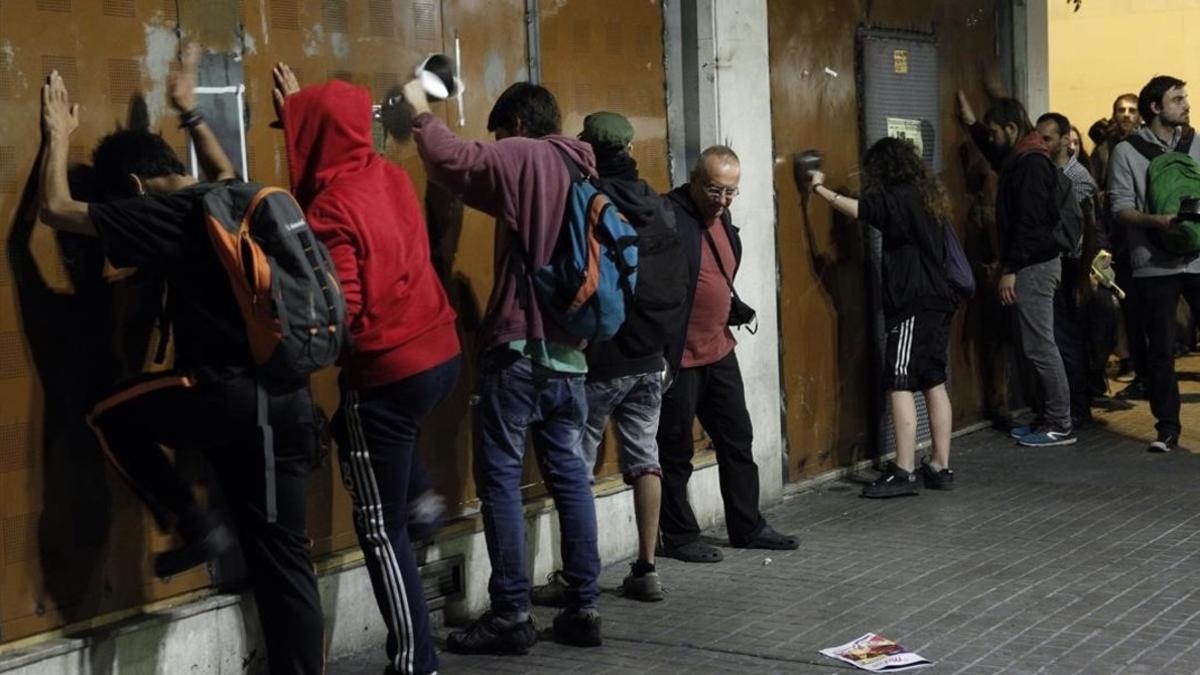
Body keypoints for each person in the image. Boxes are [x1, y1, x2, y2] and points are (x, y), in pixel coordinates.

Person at [37, 57, 325, 674]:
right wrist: (188, 111)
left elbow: (56, 210)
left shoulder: (162, 213)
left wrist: (58, 135)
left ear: (134, 190)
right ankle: (199, 527)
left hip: (238, 403)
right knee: (279, 557)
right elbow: (220, 165)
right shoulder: (223, 194)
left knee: (110, 417)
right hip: (286, 401)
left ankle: (191, 521)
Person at [273, 65, 461, 675]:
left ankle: (415, 662)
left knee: (379, 529)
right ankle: (422, 499)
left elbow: (345, 311)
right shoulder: (388, 176)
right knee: (375, 451)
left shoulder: (328, 210)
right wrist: (305, 110)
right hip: (440, 355)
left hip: (387, 374)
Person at [406, 80, 603, 653]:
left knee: (501, 487)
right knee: (572, 481)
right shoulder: (580, 168)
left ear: (517, 123)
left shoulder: (526, 153)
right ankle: (584, 607)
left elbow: (452, 157)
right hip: (571, 359)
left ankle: (512, 614)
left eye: (501, 135)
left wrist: (421, 113)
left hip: (519, 353)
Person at [654, 146, 799, 562]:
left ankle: (747, 526)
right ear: (696, 180)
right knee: (675, 453)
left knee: (737, 441)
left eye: (731, 193)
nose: (722, 201)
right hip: (679, 359)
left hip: (718, 350)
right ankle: (679, 537)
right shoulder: (669, 216)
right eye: (715, 190)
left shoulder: (724, 218)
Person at [806, 138, 957, 497]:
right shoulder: (926, 196)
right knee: (934, 380)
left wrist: (818, 190)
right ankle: (939, 465)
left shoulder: (901, 197)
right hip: (938, 300)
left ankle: (903, 470)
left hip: (913, 304)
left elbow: (860, 210)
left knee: (899, 379)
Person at [958, 94, 1075, 447]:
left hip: (1034, 265)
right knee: (1033, 344)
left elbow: (1030, 224)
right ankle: (1047, 417)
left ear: (1011, 129)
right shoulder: (1020, 157)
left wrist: (1010, 268)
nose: (991, 140)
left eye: (994, 132)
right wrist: (972, 124)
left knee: (1040, 345)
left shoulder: (1030, 164)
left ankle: (1060, 423)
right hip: (1032, 263)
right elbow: (996, 153)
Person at [1108, 75, 1200, 452]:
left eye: (1185, 98)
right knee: (1160, 349)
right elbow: (1119, 208)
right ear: (1155, 108)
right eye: (1177, 99)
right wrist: (1156, 221)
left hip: (1197, 258)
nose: (1186, 104)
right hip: (1153, 264)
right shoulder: (1126, 152)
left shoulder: (1196, 144)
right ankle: (1167, 429)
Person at [1034, 112, 1096, 429]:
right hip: (1052, 260)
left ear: (1064, 140)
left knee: (1065, 337)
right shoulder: (1044, 171)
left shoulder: (1077, 178)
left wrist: (1082, 276)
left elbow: (1085, 229)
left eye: (1048, 139)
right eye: (1038, 137)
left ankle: (1077, 407)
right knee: (1053, 336)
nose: (1041, 144)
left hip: (1068, 263)